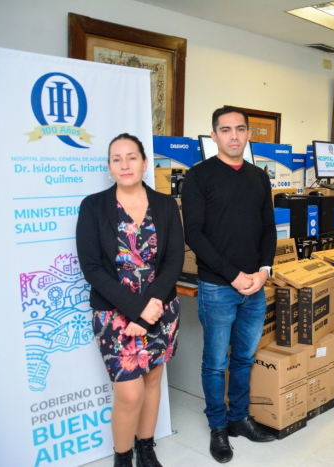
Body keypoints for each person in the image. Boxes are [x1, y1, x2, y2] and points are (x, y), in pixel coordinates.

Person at [76, 134, 184, 467]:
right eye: (116, 159)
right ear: (109, 167)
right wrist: (138, 310)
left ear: (144, 163)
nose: (124, 165)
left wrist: (150, 308)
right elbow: (92, 268)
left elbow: (174, 260)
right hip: (114, 314)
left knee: (152, 381)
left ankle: (146, 449)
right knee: (129, 393)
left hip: (161, 309)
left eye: (132, 157)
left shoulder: (165, 205)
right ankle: (123, 458)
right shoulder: (93, 207)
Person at [181, 106, 277, 463]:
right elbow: (194, 234)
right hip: (218, 287)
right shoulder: (198, 176)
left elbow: (268, 228)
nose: (234, 136)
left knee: (244, 358)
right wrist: (233, 275)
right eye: (225, 130)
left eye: (240, 129)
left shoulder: (258, 176)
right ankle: (218, 427)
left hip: (255, 286)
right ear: (214, 135)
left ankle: (239, 418)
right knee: (215, 363)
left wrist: (264, 271)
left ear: (249, 133)